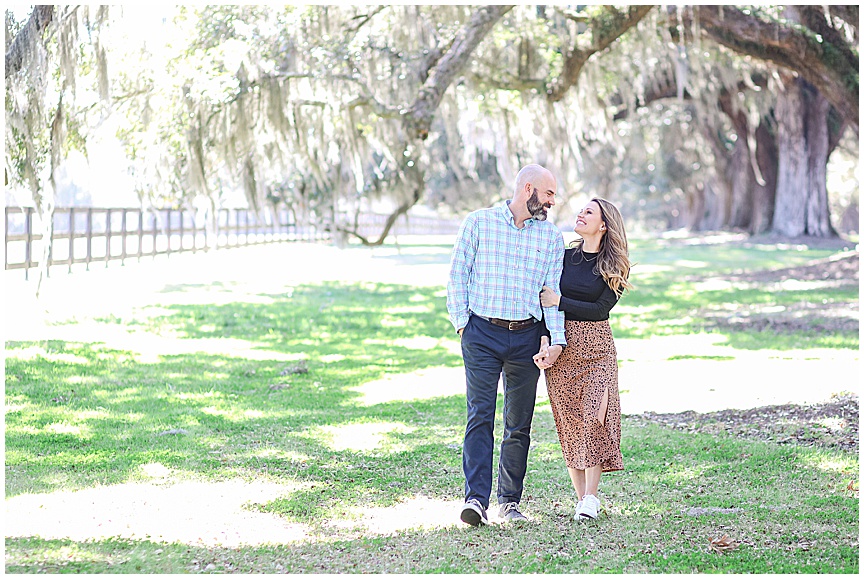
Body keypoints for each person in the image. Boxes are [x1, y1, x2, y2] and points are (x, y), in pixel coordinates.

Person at [447, 164, 567, 526]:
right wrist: (462, 325)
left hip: (527, 338)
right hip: (481, 333)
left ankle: (509, 502)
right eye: (548, 195)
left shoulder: (550, 238)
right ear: (527, 188)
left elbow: (552, 294)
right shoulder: (479, 223)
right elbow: (457, 274)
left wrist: (556, 339)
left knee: (519, 423)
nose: (551, 203)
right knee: (479, 416)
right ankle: (475, 500)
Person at [533, 197, 633, 520]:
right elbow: (542, 300)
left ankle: (591, 496)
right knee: (569, 423)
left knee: (593, 417)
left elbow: (600, 310)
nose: (581, 214)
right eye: (581, 210)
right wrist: (546, 339)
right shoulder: (563, 258)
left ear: (603, 225)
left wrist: (560, 300)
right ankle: (584, 502)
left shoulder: (615, 265)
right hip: (563, 348)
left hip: (597, 350)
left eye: (589, 212)